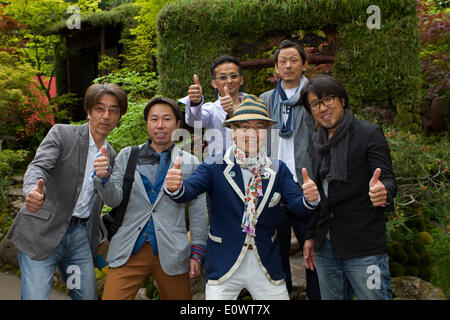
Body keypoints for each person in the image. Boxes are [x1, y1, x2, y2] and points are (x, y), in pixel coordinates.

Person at [165, 94, 320, 300]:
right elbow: (189, 191)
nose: (252, 133)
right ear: (233, 131)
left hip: (266, 264)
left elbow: (297, 206)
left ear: (267, 131)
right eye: (244, 126)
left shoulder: (277, 168)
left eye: (259, 127)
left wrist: (310, 199)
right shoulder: (214, 165)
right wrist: (176, 187)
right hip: (224, 263)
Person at [7, 83, 128, 300]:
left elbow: (113, 198)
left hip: (79, 237)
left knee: (85, 296)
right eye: (100, 108)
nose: (106, 115)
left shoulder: (110, 154)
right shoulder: (63, 134)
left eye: (114, 110)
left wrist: (105, 178)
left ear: (119, 117)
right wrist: (33, 191)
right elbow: (38, 167)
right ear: (89, 111)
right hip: (42, 231)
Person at [93, 97, 207, 300]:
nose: (160, 125)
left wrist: (197, 252)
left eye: (166, 119)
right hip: (129, 249)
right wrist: (103, 179)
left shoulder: (190, 162)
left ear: (178, 124)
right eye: (154, 119)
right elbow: (114, 200)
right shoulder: (128, 156)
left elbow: (198, 213)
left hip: (172, 251)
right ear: (146, 123)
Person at [301, 75, 397, 300]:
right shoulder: (318, 141)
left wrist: (383, 192)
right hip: (326, 247)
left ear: (343, 100)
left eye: (328, 100)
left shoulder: (368, 133)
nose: (322, 108)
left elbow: (389, 180)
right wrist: (311, 236)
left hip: (364, 248)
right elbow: (323, 194)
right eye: (315, 104)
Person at [259, 39, 320, 299]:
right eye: (282, 61)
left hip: (306, 184)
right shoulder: (265, 99)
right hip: (273, 185)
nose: (288, 65)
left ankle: (316, 295)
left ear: (305, 64)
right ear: (275, 67)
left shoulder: (316, 96)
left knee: (314, 251)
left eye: (294, 60)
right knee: (276, 251)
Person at [179, 55, 246, 156]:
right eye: (223, 77)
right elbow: (194, 120)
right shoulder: (211, 109)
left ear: (241, 79)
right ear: (214, 83)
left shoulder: (255, 103)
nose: (229, 81)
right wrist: (195, 102)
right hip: (220, 167)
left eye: (233, 76)